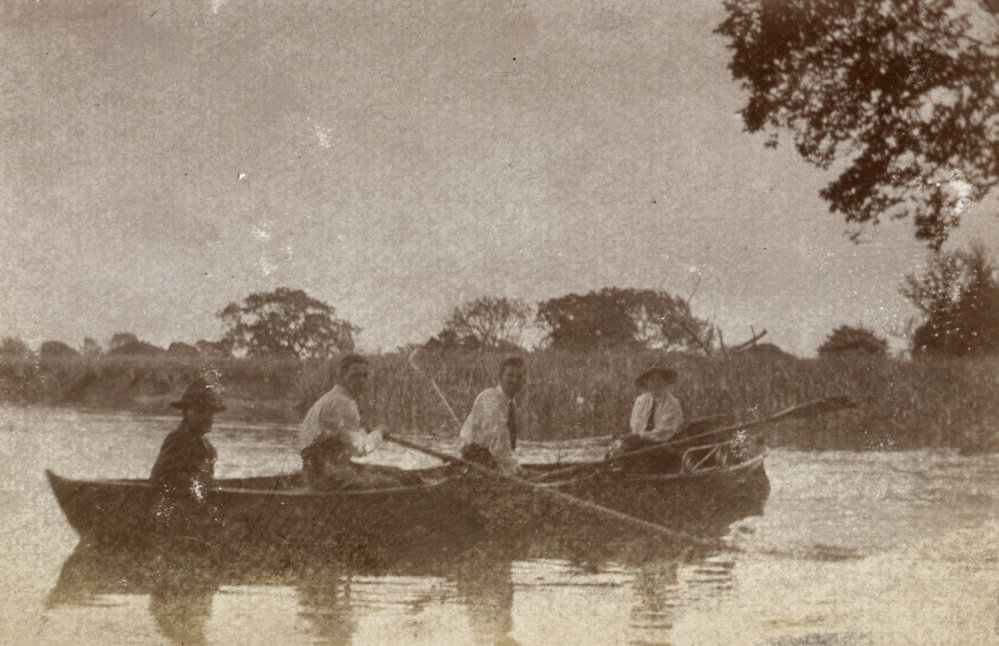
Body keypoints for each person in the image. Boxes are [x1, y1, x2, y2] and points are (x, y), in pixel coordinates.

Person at [299, 354, 402, 489]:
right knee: (398, 482)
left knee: (396, 472)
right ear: (341, 376)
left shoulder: (328, 398)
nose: (361, 380)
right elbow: (361, 449)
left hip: (317, 474)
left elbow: (338, 435)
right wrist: (380, 432)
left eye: (365, 375)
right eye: (355, 375)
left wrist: (362, 430)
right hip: (330, 478)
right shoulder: (344, 403)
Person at [150, 377, 225, 504]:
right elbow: (162, 480)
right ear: (186, 413)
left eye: (211, 413)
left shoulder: (206, 446)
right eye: (201, 411)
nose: (207, 418)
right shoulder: (178, 440)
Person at [459, 356, 525, 475]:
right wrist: (512, 471)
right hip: (478, 460)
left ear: (523, 380)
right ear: (500, 377)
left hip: (489, 458)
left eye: (519, 376)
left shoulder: (509, 402)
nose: (515, 380)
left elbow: (505, 446)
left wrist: (515, 467)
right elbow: (498, 443)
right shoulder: (491, 400)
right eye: (510, 375)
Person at [608, 366, 685, 468]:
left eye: (659, 380)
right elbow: (636, 424)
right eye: (652, 380)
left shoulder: (672, 403)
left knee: (637, 456)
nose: (656, 383)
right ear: (647, 383)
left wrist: (641, 436)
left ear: (665, 382)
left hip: (663, 443)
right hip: (642, 440)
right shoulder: (641, 401)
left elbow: (665, 431)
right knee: (616, 448)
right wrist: (635, 436)